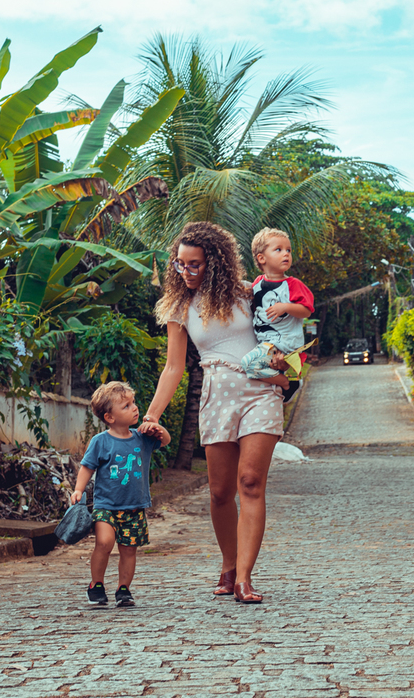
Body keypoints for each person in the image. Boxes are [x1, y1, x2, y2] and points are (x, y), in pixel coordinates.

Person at [139, 222, 289, 604]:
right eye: (180, 265)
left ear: (216, 263)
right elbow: (174, 368)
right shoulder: (179, 307)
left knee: (251, 482)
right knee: (221, 492)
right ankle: (228, 562)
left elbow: (285, 336)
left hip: (261, 392)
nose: (186, 272)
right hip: (217, 394)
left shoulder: (248, 294)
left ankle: (244, 577)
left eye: (195, 265)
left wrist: (286, 370)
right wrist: (153, 415)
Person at [72, 381, 171, 609]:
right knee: (104, 542)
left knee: (128, 550)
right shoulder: (100, 442)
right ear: (110, 417)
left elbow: (165, 441)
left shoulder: (142, 438)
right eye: (126, 406)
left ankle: (123, 589)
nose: (134, 408)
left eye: (133, 403)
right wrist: (78, 489)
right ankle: (96, 584)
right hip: (105, 505)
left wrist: (158, 428)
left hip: (134, 506)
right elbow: (87, 466)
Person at [240, 227, 315, 403]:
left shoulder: (292, 284)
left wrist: (285, 307)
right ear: (261, 258)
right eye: (279, 250)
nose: (286, 254)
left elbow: (307, 310)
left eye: (288, 250)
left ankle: (287, 385)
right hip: (267, 340)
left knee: (248, 364)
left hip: (284, 340)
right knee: (255, 365)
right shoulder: (257, 282)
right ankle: (279, 387)